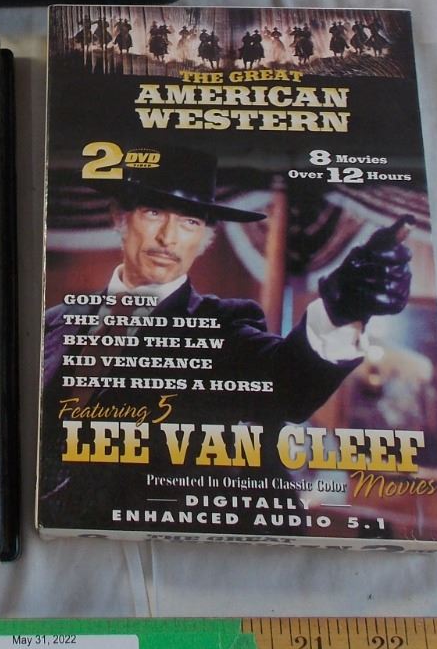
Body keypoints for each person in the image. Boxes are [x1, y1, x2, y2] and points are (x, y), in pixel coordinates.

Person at [39, 147, 413, 519]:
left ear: (204, 237)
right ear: (119, 216)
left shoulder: (225, 326)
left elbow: (288, 385)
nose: (169, 237)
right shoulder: (54, 322)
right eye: (154, 213)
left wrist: (342, 311)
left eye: (190, 222)